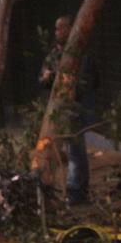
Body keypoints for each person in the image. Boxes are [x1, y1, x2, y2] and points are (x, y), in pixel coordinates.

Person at [39, 15, 96, 205]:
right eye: (56, 28)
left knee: (75, 151)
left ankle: (76, 192)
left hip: (74, 109)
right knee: (56, 149)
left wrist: (60, 79)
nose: (58, 32)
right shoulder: (53, 54)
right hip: (56, 109)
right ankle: (57, 188)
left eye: (62, 27)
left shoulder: (81, 55)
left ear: (71, 28)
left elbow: (87, 83)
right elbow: (42, 79)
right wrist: (47, 78)